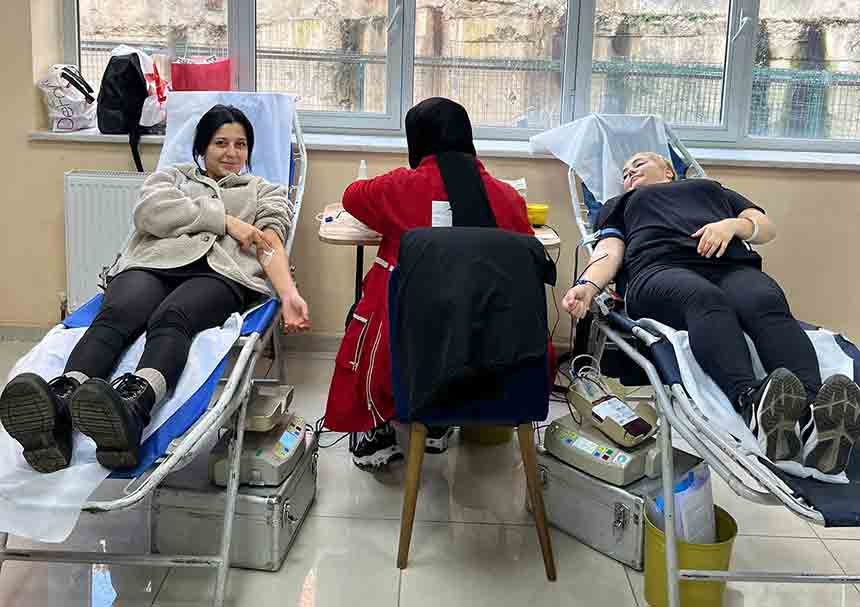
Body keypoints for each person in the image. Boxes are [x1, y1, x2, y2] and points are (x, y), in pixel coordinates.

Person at [0, 104, 311, 473]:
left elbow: (269, 243)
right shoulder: (171, 178)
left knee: (172, 317)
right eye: (220, 143)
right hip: (151, 265)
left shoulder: (264, 191)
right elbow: (150, 213)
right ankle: (59, 407)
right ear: (202, 148)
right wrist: (227, 222)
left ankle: (133, 410)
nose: (231, 152)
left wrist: (288, 294)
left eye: (240, 145)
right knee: (116, 315)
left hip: (218, 275)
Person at [562, 152, 860, 477]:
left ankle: (816, 416)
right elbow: (609, 251)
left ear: (669, 171)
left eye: (639, 164)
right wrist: (587, 286)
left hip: (730, 265)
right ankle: (751, 403)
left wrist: (730, 225)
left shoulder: (710, 189)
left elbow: (765, 228)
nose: (629, 173)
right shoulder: (620, 203)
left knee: (764, 300)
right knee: (705, 299)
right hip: (658, 269)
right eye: (624, 172)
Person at [325, 97, 541, 471]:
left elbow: (351, 196)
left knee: (374, 301)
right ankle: (438, 425)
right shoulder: (507, 197)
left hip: (407, 349)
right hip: (492, 350)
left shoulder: (399, 187)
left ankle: (375, 428)